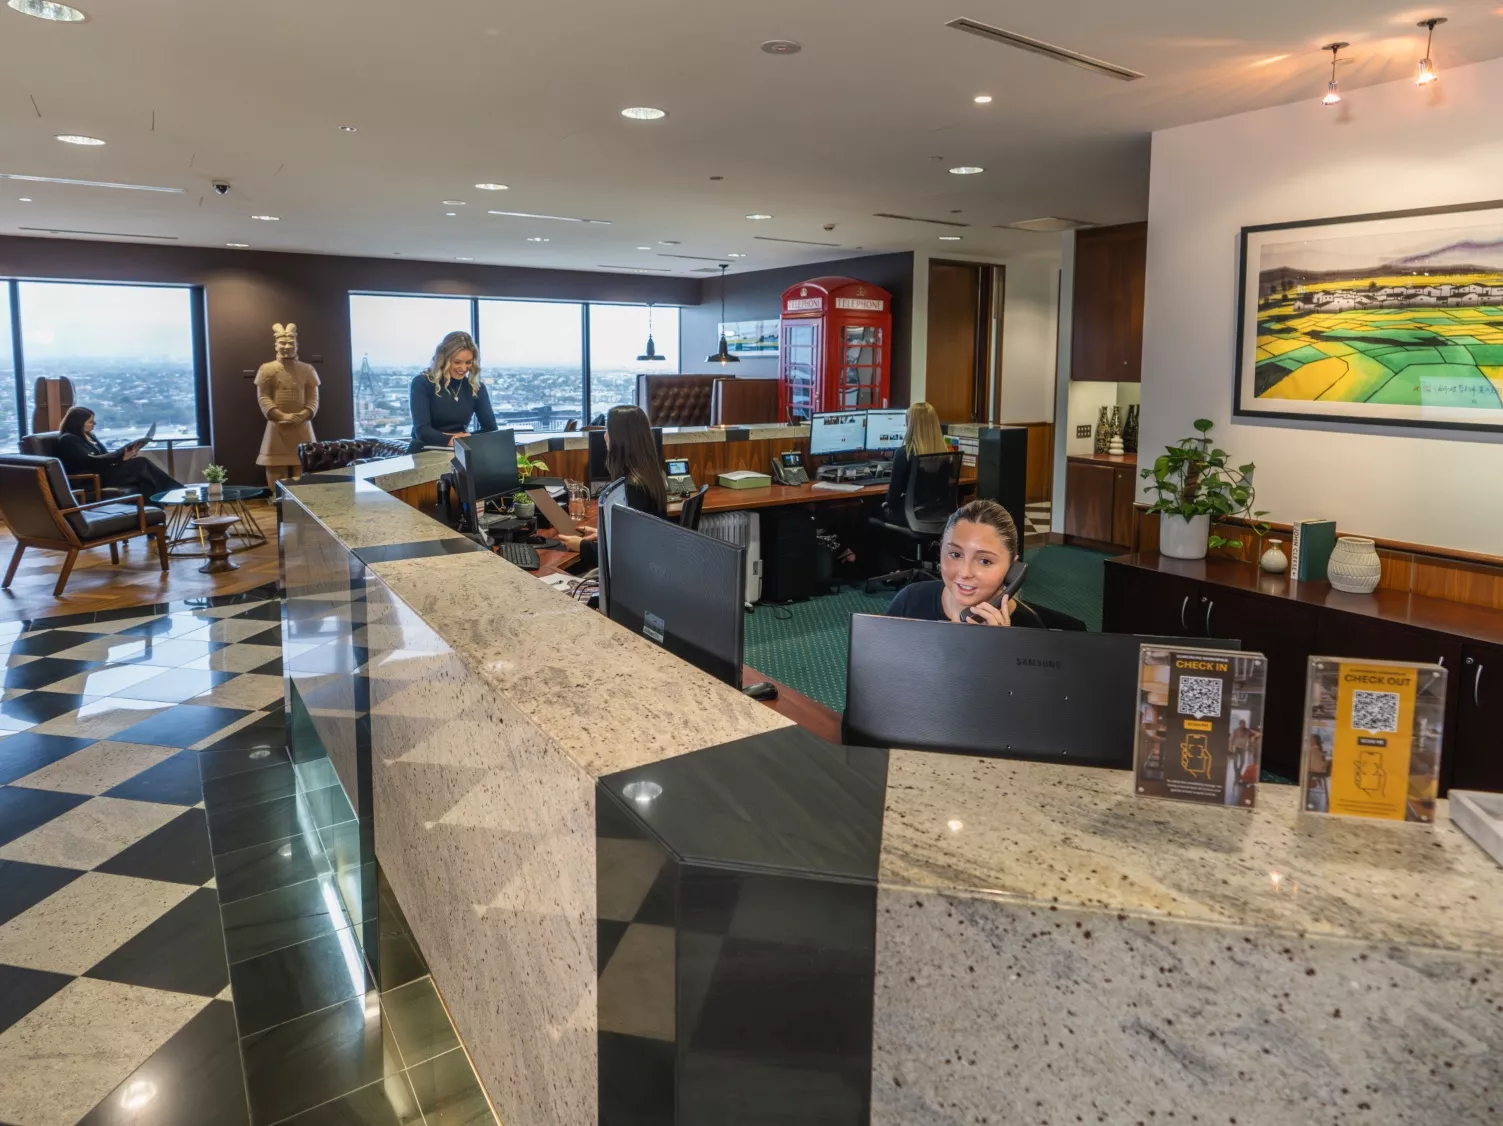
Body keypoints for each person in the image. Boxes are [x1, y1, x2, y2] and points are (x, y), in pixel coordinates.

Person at [886, 498, 1043, 628]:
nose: (965, 572)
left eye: (985, 561)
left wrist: (999, 651)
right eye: (955, 554)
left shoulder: (1032, 632)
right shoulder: (908, 602)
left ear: (1013, 568)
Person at [558, 405, 666, 566]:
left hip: (631, 575)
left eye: (608, 430)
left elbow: (625, 555)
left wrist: (581, 546)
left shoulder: (633, 488)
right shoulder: (649, 475)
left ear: (620, 438)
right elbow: (634, 539)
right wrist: (601, 534)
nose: (605, 436)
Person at [55, 406, 181, 502]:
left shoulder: (90, 436)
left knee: (146, 479)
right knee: (141, 464)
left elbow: (104, 455)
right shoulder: (68, 440)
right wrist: (119, 459)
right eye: (90, 422)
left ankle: (155, 516)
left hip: (104, 473)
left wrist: (124, 457)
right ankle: (178, 492)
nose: (94, 424)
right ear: (78, 423)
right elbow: (89, 462)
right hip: (91, 479)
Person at [409, 330, 497, 453]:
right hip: (424, 452)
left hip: (458, 451)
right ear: (443, 359)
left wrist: (464, 439)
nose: (463, 368)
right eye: (457, 362)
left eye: (468, 362)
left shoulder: (476, 387)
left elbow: (491, 429)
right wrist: (454, 438)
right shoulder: (422, 383)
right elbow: (422, 431)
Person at [885, 401, 948, 522]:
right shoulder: (945, 454)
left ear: (911, 425)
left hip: (911, 517)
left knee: (871, 510)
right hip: (937, 516)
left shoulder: (905, 453)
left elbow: (892, 499)